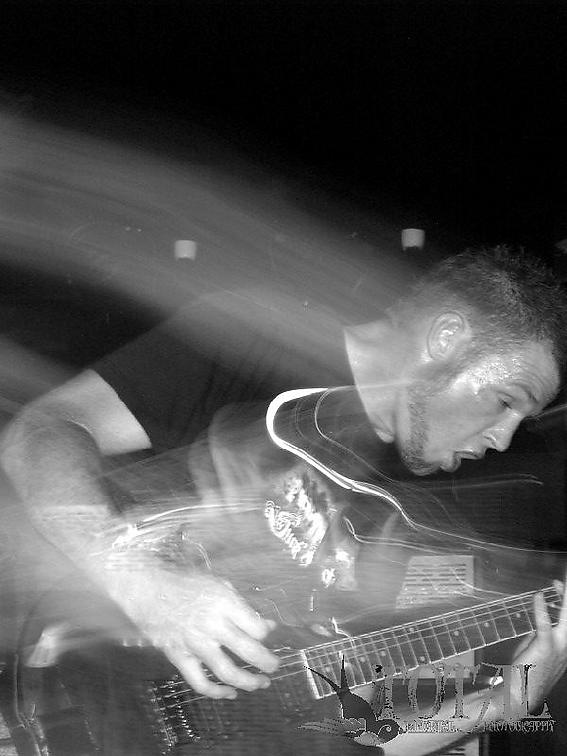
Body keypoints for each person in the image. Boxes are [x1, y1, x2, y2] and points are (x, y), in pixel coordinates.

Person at [2, 245, 567, 756]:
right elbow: (43, 429)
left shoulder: (423, 507)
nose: (504, 438)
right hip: (53, 677)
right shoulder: (259, 339)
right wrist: (137, 578)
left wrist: (506, 703)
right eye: (506, 401)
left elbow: (352, 733)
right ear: (446, 339)